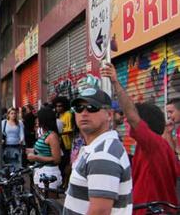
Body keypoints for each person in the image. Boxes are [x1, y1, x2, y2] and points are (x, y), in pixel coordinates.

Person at [102, 63, 178, 213]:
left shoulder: (152, 144)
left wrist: (116, 83)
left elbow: (132, 117)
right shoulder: (160, 146)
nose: (127, 122)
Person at [63, 86, 132, 214]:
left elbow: (100, 211)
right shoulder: (97, 148)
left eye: (92, 108)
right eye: (79, 108)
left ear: (109, 115)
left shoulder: (103, 154)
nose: (84, 113)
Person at [26, 107, 62, 189]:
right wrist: (31, 150)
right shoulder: (44, 133)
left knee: (48, 199)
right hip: (40, 170)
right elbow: (43, 151)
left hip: (49, 173)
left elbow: (57, 159)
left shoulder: (52, 136)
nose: (36, 120)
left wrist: (36, 157)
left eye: (38, 118)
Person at [53, 96, 74, 187]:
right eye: (57, 106)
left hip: (67, 144)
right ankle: (61, 182)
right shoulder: (58, 115)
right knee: (60, 164)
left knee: (66, 164)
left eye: (60, 106)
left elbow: (70, 130)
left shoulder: (68, 114)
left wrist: (60, 133)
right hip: (59, 143)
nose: (58, 108)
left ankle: (65, 183)